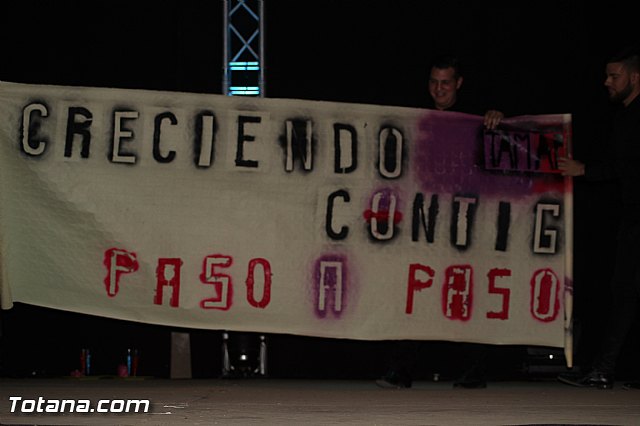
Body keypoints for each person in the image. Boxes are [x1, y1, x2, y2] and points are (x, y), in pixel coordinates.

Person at [376, 54, 503, 390]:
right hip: (425, 220)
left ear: (458, 84)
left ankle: (476, 369)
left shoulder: (477, 117)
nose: (438, 88)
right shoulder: (416, 117)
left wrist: (498, 120)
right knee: (415, 295)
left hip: (464, 221)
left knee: (464, 294)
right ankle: (401, 369)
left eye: (445, 82)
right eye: (433, 81)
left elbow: (504, 151)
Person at [558, 46, 640, 390]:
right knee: (622, 292)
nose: (607, 81)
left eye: (614, 75)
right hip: (632, 216)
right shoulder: (624, 115)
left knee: (624, 292)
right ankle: (603, 365)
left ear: (634, 78)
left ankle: (604, 367)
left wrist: (585, 169)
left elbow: (628, 168)